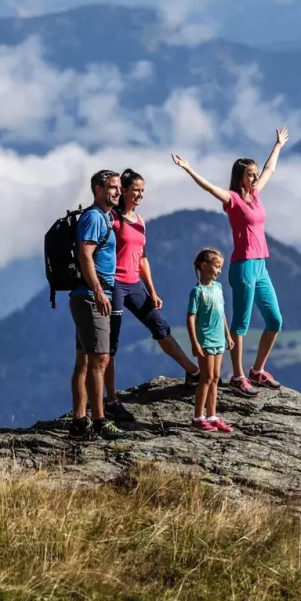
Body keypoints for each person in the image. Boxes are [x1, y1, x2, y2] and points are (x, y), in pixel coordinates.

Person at [170, 127, 289, 398]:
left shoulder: (256, 196)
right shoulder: (233, 200)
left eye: (255, 173)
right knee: (241, 324)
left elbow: (270, 169)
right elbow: (211, 188)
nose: (256, 177)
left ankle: (257, 370)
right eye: (250, 174)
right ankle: (237, 375)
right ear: (240, 177)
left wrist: (278, 145)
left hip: (261, 265)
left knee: (275, 320)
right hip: (243, 266)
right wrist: (189, 170)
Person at [102, 168, 200, 421]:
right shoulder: (111, 219)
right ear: (123, 191)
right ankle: (111, 399)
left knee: (159, 325)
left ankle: (192, 371)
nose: (140, 196)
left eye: (142, 191)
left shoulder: (140, 221)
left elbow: (142, 258)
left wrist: (152, 291)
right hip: (113, 285)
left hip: (134, 284)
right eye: (136, 191)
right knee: (110, 344)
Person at [71, 169, 126, 439]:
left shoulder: (104, 216)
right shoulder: (94, 217)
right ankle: (99, 420)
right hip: (93, 296)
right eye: (113, 187)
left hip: (87, 295)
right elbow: (85, 254)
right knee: (99, 359)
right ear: (98, 189)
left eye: (118, 188)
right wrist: (99, 291)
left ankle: (80, 422)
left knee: (84, 359)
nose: (118, 191)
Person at [187, 247, 235, 433]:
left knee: (215, 377)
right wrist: (195, 342)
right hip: (206, 340)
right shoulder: (197, 291)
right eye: (216, 266)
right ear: (203, 266)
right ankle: (198, 417)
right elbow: (190, 317)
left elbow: (221, 312)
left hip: (218, 339)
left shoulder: (218, 287)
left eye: (220, 267)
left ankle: (212, 415)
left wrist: (227, 334)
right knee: (206, 378)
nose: (219, 270)